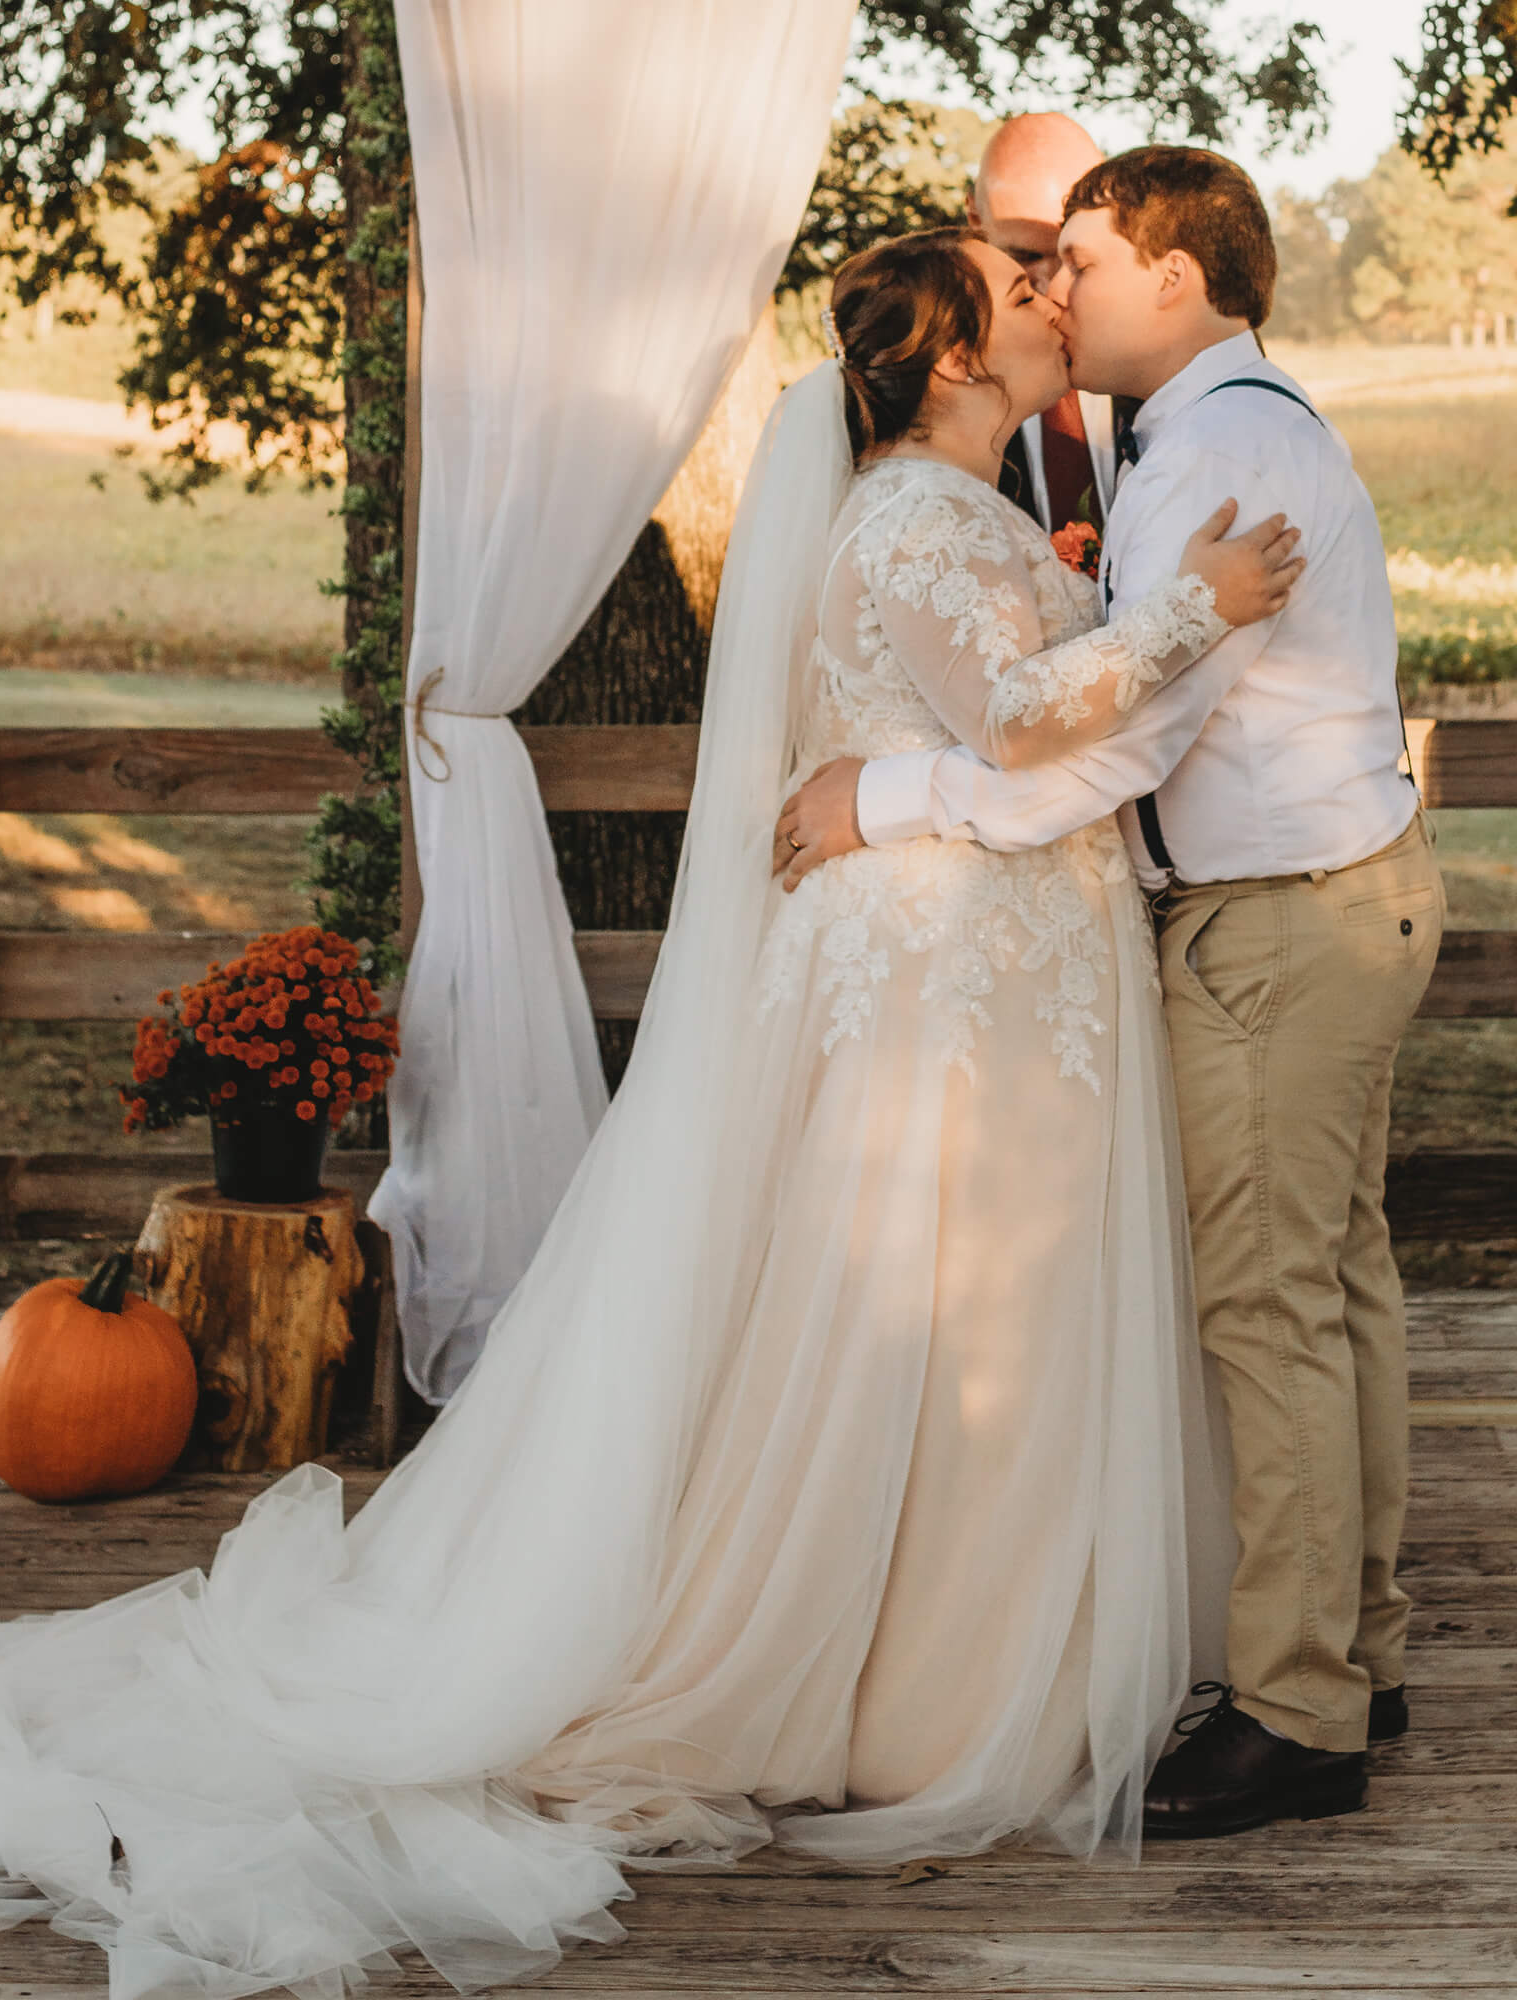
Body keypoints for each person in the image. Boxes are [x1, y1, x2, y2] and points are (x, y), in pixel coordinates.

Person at [0, 228, 1299, 1999]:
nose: (1045, 296)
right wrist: (1198, 606)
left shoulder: (960, 512)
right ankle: (919, 1688)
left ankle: (940, 1662)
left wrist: (1101, 598)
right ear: (948, 356)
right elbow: (1025, 720)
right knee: (926, 1313)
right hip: (951, 974)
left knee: (958, 1314)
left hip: (983, 960)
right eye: (1011, 285)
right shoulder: (918, 515)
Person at [776, 147, 1445, 1841]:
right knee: (1333, 1286)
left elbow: (1129, 734)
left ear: (1173, 270)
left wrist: (890, 799)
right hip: (1332, 901)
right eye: (1033, 272)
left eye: (1076, 255)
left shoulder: (1217, 441)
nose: (1057, 287)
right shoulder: (1211, 431)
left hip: (1282, 920)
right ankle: (1348, 1650)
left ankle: (1301, 1716)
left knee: (1273, 1306)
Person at [966, 112, 1118, 532]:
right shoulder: (947, 377)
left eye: (1076, 258)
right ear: (974, 215)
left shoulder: (1160, 347)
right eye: (1026, 257)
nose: (1054, 288)